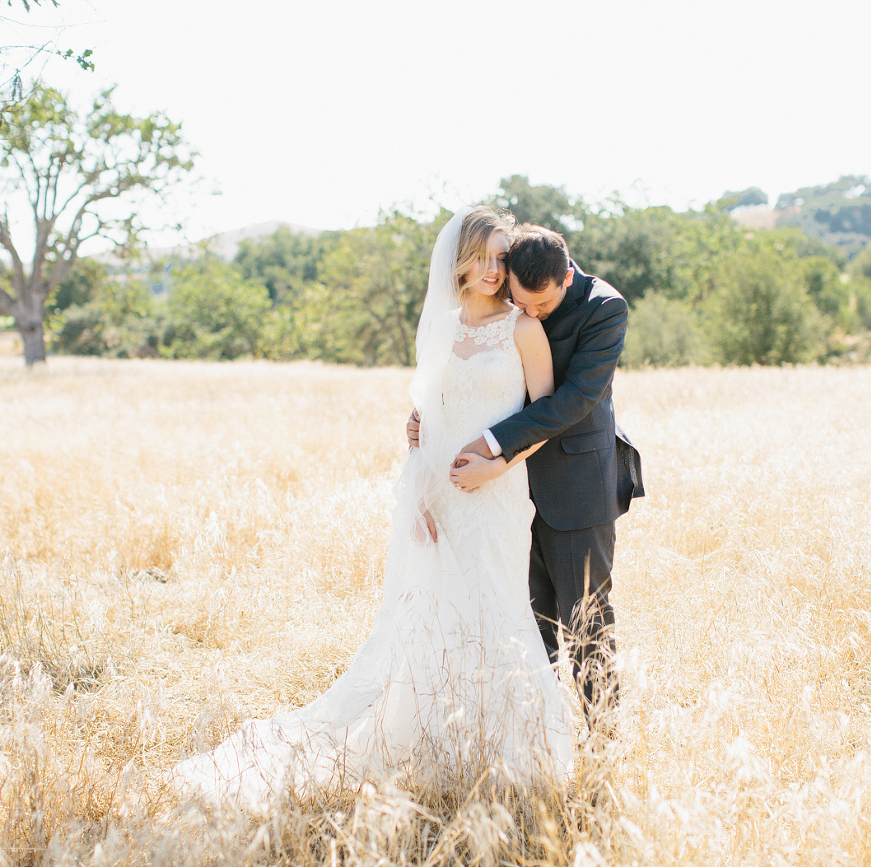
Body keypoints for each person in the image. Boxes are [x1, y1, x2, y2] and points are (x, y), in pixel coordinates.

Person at [172, 207, 572, 808]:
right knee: (433, 617)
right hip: (437, 491)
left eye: (500, 256)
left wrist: (498, 464)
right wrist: (419, 479)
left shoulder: (522, 329)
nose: (493, 269)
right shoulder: (438, 326)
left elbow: (542, 416)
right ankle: (442, 747)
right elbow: (429, 409)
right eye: (481, 257)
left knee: (498, 610)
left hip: (497, 498)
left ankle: (511, 753)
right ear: (458, 261)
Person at [416, 225, 644, 730]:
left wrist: (494, 444)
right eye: (522, 304)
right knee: (523, 622)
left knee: (586, 623)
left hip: (575, 485)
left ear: (566, 277)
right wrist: (432, 418)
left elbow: (573, 400)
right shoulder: (513, 293)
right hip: (504, 497)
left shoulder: (606, 309)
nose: (531, 316)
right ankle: (532, 736)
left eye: (541, 307)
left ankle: (602, 741)